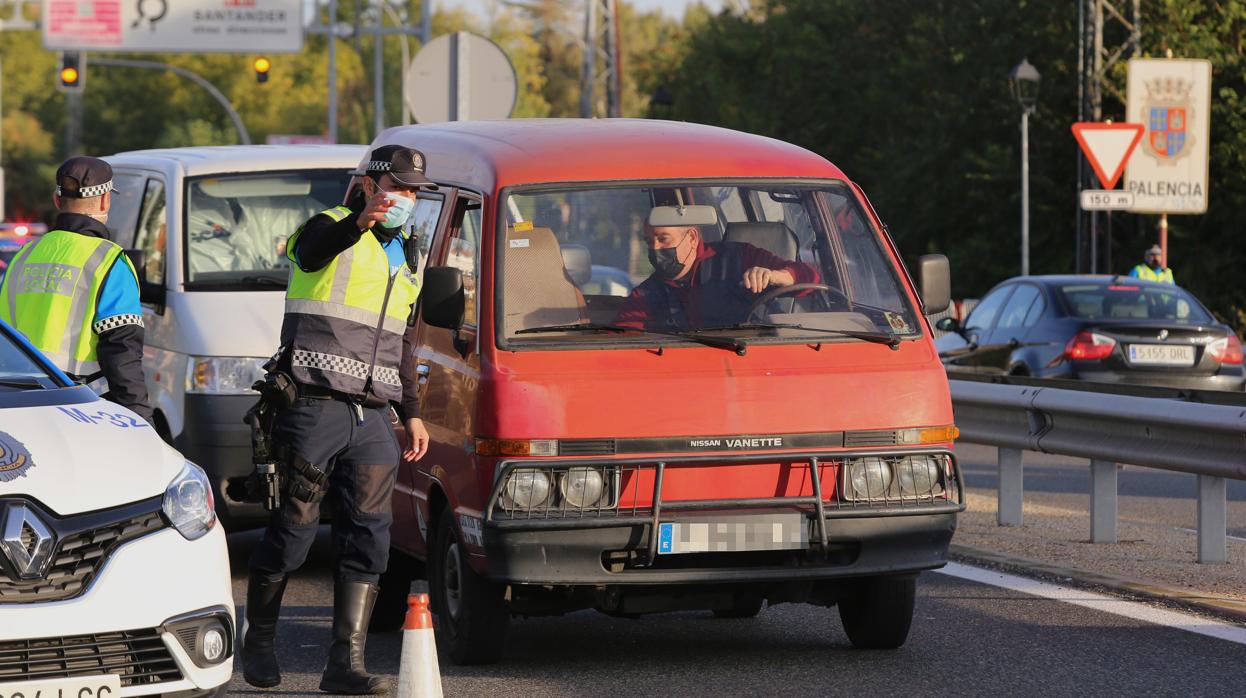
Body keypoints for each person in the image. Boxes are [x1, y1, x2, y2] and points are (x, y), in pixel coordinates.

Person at [241, 145, 433, 695]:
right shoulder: (324, 227)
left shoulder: (409, 252)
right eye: (397, 187)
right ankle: (260, 641)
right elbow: (312, 254)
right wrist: (357, 221)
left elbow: (402, 340)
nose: (406, 199)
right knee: (293, 533)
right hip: (312, 404)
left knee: (370, 537)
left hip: (373, 416)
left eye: (414, 191)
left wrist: (412, 412)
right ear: (369, 186)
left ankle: (342, 665)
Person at [0, 156, 152, 422]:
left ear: (57, 201)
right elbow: (122, 351)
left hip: (17, 407)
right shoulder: (109, 261)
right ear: (105, 200)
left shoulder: (24, 256)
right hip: (82, 409)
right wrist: (140, 420)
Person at [613, 218, 821, 330]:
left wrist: (776, 276)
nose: (655, 249)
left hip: (758, 363)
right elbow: (624, 340)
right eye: (650, 242)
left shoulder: (740, 256)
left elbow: (811, 279)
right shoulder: (647, 293)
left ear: (692, 237)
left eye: (663, 239)